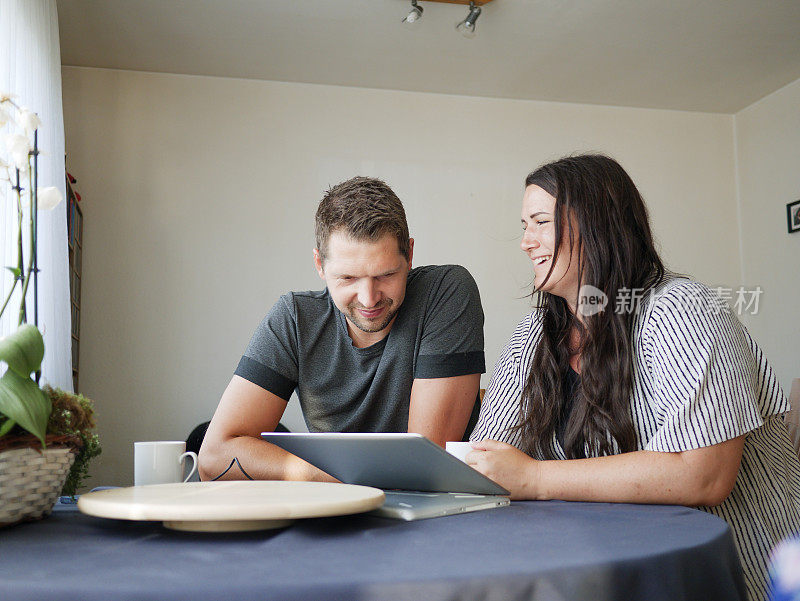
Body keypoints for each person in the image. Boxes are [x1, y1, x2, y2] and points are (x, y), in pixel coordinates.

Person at [468, 154, 800, 601]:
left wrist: (536, 478)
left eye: (541, 222)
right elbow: (490, 457)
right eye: (525, 225)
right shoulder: (535, 333)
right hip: (612, 571)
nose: (526, 241)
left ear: (596, 224)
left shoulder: (683, 308)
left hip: (742, 577)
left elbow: (703, 476)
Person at [199, 176, 485, 483]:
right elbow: (214, 457)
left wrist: (325, 476)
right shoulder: (295, 318)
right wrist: (318, 475)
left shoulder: (445, 292)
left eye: (386, 275)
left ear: (410, 255)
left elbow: (424, 465)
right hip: (337, 514)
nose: (369, 298)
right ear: (319, 265)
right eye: (347, 278)